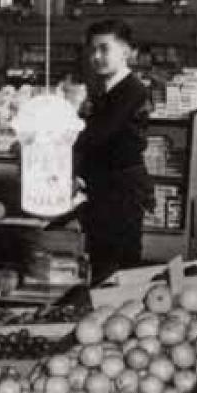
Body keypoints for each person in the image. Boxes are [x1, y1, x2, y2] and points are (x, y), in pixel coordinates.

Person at [74, 19, 153, 285]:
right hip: (104, 188)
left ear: (127, 51)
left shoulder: (131, 90)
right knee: (102, 261)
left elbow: (97, 135)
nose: (96, 57)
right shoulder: (105, 90)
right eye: (92, 50)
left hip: (121, 189)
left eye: (104, 49)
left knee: (118, 266)